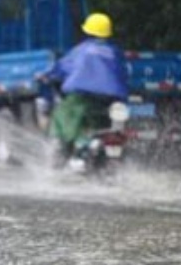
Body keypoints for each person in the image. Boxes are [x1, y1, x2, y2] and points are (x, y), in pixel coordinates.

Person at [41, 12, 129, 163]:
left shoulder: (82, 50)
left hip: (82, 97)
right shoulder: (115, 52)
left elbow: (61, 68)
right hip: (110, 100)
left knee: (61, 116)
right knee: (103, 124)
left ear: (88, 31)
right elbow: (124, 73)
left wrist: (46, 76)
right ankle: (90, 147)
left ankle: (68, 149)